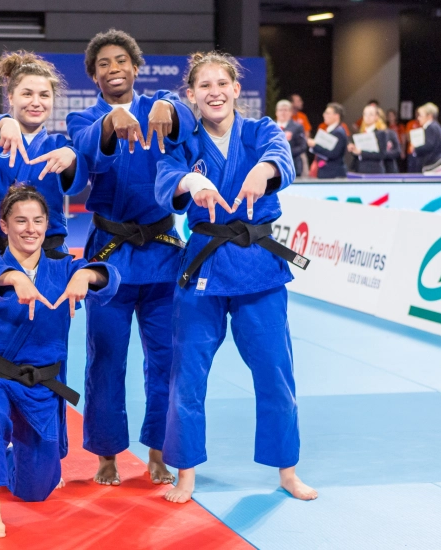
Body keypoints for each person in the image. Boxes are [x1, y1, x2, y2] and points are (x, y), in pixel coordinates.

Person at [154, 50, 317, 505]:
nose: (214, 92)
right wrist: (193, 182)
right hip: (204, 267)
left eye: (222, 84)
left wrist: (263, 171)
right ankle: (185, 473)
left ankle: (287, 469)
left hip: (259, 271)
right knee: (187, 377)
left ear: (235, 90)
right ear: (191, 95)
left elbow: (279, 153)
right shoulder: (184, 140)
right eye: (204, 86)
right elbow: (166, 178)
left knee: (276, 373)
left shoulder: (260, 130)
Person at [0, 50, 88, 490]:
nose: (35, 101)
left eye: (44, 94)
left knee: (54, 356)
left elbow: (81, 174)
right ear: (9, 96)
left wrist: (72, 155)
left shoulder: (58, 146)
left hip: (50, 262)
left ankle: (53, 450)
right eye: (26, 93)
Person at [66, 29, 195, 487]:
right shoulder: (83, 117)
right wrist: (109, 124)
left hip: (161, 255)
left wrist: (169, 106)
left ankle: (158, 450)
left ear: (136, 68)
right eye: (103, 63)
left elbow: (187, 119)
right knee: (105, 359)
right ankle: (106, 453)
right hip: (110, 256)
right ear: (93, 75)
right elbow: (83, 153)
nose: (113, 68)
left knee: (165, 360)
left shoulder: (158, 105)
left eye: (121, 60)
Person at [0, 185, 118, 538]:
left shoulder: (63, 267)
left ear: (48, 225)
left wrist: (85, 275)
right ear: (4, 225)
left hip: (40, 388)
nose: (30, 229)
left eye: (38, 221)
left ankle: (3, 453)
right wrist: (11, 277)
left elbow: (110, 277)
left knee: (36, 491)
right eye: (20, 221)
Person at [308, 102, 348, 178]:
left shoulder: (339, 132)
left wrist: (315, 145)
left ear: (336, 116)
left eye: (327, 113)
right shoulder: (330, 130)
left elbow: (333, 153)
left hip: (334, 173)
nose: (324, 115)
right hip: (326, 171)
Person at [347, 104, 389, 174]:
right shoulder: (361, 133)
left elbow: (382, 154)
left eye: (371, 114)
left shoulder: (380, 133)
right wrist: (353, 149)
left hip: (374, 170)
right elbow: (357, 154)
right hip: (360, 169)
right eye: (365, 114)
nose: (367, 117)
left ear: (376, 117)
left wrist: (361, 152)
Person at [408, 102, 441, 172]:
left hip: (432, 165)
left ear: (429, 116)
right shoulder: (435, 126)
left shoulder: (431, 127)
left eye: (421, 116)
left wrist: (415, 148)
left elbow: (429, 145)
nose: (418, 118)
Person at [275, 99, 307, 176]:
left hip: (293, 165)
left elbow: (303, 146)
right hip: (274, 165)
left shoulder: (297, 127)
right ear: (276, 112)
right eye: (280, 110)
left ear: (290, 112)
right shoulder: (270, 126)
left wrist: (286, 153)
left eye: (286, 110)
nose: (283, 113)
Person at [384, 108, 403, 173]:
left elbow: (403, 138)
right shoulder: (385, 127)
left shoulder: (400, 126)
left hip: (397, 146)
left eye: (392, 115)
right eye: (389, 116)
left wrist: (403, 150)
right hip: (388, 147)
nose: (390, 117)